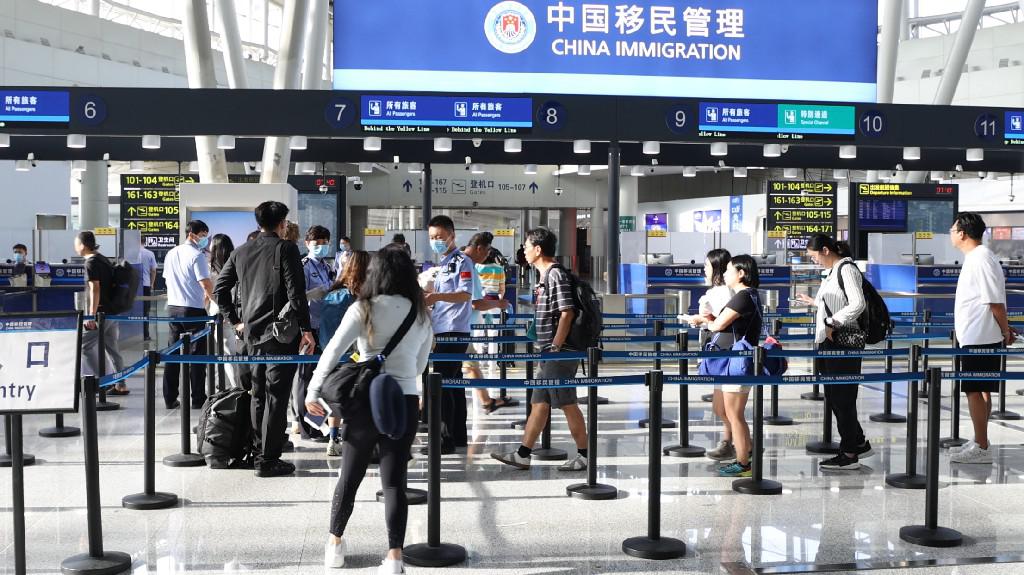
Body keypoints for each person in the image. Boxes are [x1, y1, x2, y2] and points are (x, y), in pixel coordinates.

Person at [306, 246, 433, 573]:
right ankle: (394, 557)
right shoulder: (420, 314)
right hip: (403, 401)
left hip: (364, 399)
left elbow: (333, 351)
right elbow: (420, 366)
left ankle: (334, 546)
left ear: (375, 273)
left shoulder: (363, 308)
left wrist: (313, 390)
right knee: (394, 482)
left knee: (349, 476)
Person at [214, 201, 317, 478]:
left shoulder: (241, 251)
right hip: (280, 335)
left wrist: (235, 321)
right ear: (282, 223)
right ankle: (268, 459)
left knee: (258, 394)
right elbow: (296, 293)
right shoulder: (286, 248)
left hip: (250, 336)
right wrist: (306, 330)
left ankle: (259, 451)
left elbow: (220, 290)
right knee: (276, 396)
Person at [492, 228, 589, 472]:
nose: (523, 251)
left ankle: (585, 455)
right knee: (539, 403)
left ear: (538, 249)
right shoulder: (544, 277)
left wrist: (555, 345)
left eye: (526, 247)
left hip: (559, 352)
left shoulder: (555, 274)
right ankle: (523, 454)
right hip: (548, 351)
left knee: (567, 402)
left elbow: (567, 312)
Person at [795, 235, 873, 471]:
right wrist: (815, 303)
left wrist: (832, 322)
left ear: (826, 250)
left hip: (842, 342)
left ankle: (849, 453)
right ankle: (857, 441)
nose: (814, 260)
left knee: (842, 397)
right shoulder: (832, 272)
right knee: (835, 396)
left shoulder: (846, 269)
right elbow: (837, 302)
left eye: (814, 256)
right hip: (830, 342)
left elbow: (857, 304)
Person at [949, 213, 1014, 464]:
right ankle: (979, 439)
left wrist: (1005, 331)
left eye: (953, 230)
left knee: (974, 391)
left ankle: (982, 448)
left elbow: (994, 302)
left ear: (963, 233)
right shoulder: (977, 258)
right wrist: (1003, 328)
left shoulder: (981, 259)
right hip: (977, 334)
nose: (951, 234)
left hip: (980, 336)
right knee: (982, 390)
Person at [706, 255, 762, 478]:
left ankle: (743, 464)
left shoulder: (744, 296)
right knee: (726, 411)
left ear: (741, 273)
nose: (725, 274)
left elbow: (719, 325)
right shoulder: (749, 296)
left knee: (734, 414)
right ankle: (745, 451)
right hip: (734, 360)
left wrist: (705, 321)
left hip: (738, 362)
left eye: (729, 270)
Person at [424, 215, 476, 454]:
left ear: (452, 236)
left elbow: (465, 295)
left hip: (453, 330)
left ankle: (444, 439)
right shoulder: (444, 263)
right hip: (443, 328)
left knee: (443, 385)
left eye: (440, 237)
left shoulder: (462, 262)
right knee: (454, 384)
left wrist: (436, 297)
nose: (435, 241)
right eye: (432, 237)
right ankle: (458, 436)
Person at [680, 249, 734, 461]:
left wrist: (700, 319)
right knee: (723, 407)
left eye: (707, 265)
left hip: (724, 352)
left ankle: (742, 443)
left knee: (723, 407)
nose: (704, 269)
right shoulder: (725, 291)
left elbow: (721, 321)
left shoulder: (721, 292)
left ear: (717, 268)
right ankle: (732, 442)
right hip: (723, 351)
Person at [317, 249, 371, 457]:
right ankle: (355, 441)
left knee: (336, 398)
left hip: (333, 356)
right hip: (359, 358)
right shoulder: (363, 298)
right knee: (359, 400)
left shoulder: (332, 295)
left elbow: (325, 331)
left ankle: (333, 439)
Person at [161, 220, 214, 409]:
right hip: (193, 310)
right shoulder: (197, 255)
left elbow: (167, 279)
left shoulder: (171, 253)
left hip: (173, 308)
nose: (205, 239)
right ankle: (198, 398)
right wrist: (216, 302)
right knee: (197, 356)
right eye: (203, 235)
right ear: (192, 234)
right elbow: (205, 284)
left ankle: (170, 397)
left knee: (172, 354)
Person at [292, 225, 336, 440]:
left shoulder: (328, 267)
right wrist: (315, 294)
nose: (321, 246)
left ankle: (319, 423)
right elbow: (297, 297)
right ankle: (306, 426)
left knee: (321, 378)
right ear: (307, 244)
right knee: (305, 378)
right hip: (309, 328)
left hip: (325, 328)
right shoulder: (304, 266)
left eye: (324, 242)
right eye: (316, 243)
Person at [461, 233, 510, 413]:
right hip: (458, 327)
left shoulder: (464, 263)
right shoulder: (468, 266)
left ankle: (486, 401)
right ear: (480, 248)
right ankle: (423, 406)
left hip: (459, 326)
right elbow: (475, 303)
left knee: (470, 364)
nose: (488, 254)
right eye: (487, 250)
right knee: (450, 370)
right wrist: (499, 304)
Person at [77, 232, 125, 383]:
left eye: (76, 243)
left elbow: (95, 289)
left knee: (83, 346)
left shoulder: (91, 263)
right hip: (112, 311)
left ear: (83, 245)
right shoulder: (103, 259)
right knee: (113, 349)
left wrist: (91, 315)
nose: (75, 247)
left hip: (101, 313)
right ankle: (120, 383)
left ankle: (105, 380)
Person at [207, 234, 245, 390]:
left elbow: (210, 294)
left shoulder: (211, 269)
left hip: (219, 313)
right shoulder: (236, 265)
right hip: (234, 311)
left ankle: (237, 388)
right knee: (229, 351)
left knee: (227, 352)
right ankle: (228, 385)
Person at [139, 245, 157, 342]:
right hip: (145, 285)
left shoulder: (130, 253)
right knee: (145, 311)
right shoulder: (149, 253)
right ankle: (145, 335)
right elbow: (153, 270)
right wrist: (151, 284)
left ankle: (133, 334)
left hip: (133, 286)